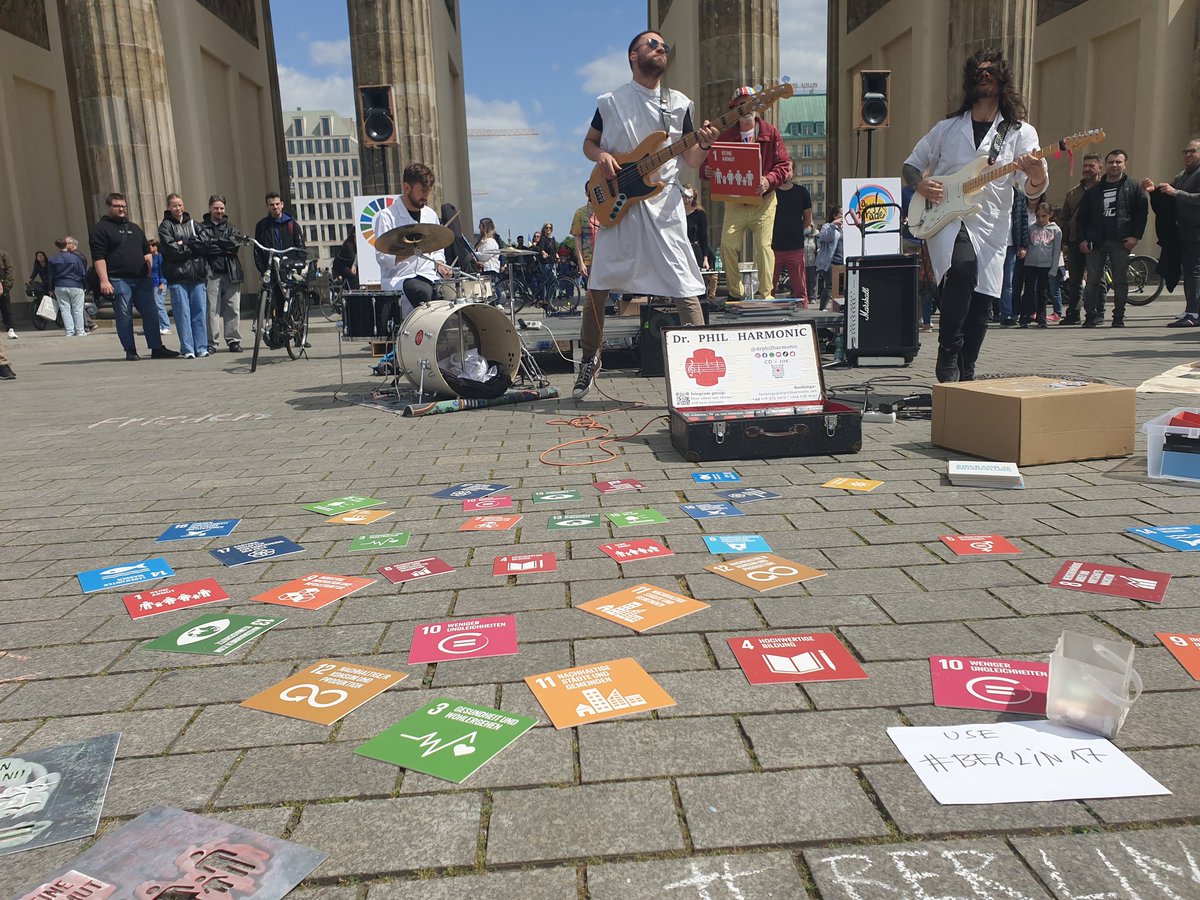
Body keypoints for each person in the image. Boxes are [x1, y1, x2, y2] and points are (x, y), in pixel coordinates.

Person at [575, 30, 718, 399]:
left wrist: (705, 144)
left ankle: (703, 368)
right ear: (633, 56)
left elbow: (691, 159)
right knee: (598, 285)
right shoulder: (611, 102)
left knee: (685, 285)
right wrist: (602, 156)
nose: (660, 49)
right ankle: (589, 358)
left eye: (664, 47)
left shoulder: (679, 104)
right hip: (619, 203)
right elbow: (589, 143)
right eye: (652, 45)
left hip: (663, 205)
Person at [904, 48, 1047, 382]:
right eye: (979, 72)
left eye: (991, 71)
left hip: (993, 224)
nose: (985, 76)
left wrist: (1037, 172)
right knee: (963, 268)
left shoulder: (1020, 132)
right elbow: (911, 165)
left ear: (1002, 79)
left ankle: (965, 373)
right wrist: (920, 184)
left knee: (982, 302)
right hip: (946, 217)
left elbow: (1031, 189)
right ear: (970, 81)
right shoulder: (946, 128)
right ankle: (948, 349)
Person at [701, 86, 791, 301]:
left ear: (758, 105)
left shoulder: (770, 132)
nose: (746, 108)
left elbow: (784, 165)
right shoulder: (725, 137)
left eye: (750, 103)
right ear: (734, 109)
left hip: (764, 201)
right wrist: (707, 170)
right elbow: (705, 167)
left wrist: (768, 180)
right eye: (741, 104)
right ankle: (736, 293)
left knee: (763, 247)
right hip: (736, 203)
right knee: (727, 246)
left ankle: (766, 294)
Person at [90, 192, 178, 361]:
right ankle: (130, 350)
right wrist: (104, 281)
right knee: (124, 315)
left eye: (123, 206)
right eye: (117, 206)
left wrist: (149, 268)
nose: (121, 209)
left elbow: (146, 250)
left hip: (142, 279)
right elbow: (98, 257)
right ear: (108, 207)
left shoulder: (134, 228)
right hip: (118, 279)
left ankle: (157, 347)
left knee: (151, 312)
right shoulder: (100, 229)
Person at [1076, 149, 1148, 328]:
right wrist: (1082, 239)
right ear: (1105, 165)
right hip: (1096, 242)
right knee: (1092, 281)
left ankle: (1118, 317)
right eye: (1111, 162)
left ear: (1125, 164)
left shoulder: (1133, 187)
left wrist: (1135, 237)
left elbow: (1141, 214)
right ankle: (1090, 316)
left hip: (1121, 241)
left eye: (1118, 162)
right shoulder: (1094, 190)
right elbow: (1082, 218)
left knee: (1120, 281)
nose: (1114, 165)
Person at [372, 162, 452, 317]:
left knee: (451, 292)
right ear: (407, 187)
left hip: (428, 276)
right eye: (422, 191)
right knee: (421, 291)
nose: (425, 197)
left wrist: (440, 265)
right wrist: (412, 250)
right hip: (400, 279)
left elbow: (437, 250)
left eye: (428, 191)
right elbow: (382, 257)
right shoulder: (386, 216)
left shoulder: (430, 215)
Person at [1144, 138, 1200, 327]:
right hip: (1184, 231)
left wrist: (1175, 192)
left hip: (1197, 230)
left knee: (1194, 272)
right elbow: (1168, 195)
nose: (1188, 155)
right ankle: (1192, 308)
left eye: (1192, 151)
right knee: (1189, 272)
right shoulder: (1183, 175)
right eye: (1186, 152)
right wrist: (1153, 191)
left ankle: (1194, 313)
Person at [159, 193, 210, 358]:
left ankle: (201, 347)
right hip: (178, 276)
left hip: (197, 274)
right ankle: (188, 348)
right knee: (183, 313)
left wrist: (184, 243)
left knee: (199, 312)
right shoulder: (165, 226)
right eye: (174, 206)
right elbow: (172, 251)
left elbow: (205, 244)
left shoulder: (194, 224)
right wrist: (192, 245)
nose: (178, 208)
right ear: (169, 207)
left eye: (180, 205)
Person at [1056, 153, 1102, 325]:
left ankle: (1097, 313)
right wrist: (1063, 242)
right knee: (1075, 280)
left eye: (1091, 166)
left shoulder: (1104, 190)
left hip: (1097, 241)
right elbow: (1065, 218)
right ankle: (1073, 313)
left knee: (1096, 279)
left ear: (1100, 168)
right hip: (1075, 240)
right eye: (1085, 166)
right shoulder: (1073, 193)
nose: (1087, 169)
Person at [199, 194, 245, 352]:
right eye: (216, 208)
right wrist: (223, 246)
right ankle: (212, 343)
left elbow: (234, 246)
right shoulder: (201, 227)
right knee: (212, 310)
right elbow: (203, 247)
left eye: (221, 208)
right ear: (210, 208)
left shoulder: (232, 228)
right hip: (211, 272)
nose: (219, 211)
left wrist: (214, 242)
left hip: (231, 272)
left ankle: (233, 340)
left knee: (233, 308)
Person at [771, 168, 813, 303]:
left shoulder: (802, 192)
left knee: (800, 289)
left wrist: (795, 230)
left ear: (793, 172)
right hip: (772, 247)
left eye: (788, 169)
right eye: (782, 169)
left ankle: (803, 310)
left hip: (795, 247)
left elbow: (808, 219)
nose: (785, 173)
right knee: (768, 288)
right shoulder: (771, 192)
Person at [1020, 201, 1062, 328]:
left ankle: (1042, 318)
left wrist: (1054, 269)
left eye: (1044, 216)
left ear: (1050, 215)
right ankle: (1025, 317)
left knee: (1042, 292)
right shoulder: (1031, 228)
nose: (1040, 219)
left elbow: (1056, 251)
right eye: (1038, 216)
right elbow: (1027, 244)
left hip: (1045, 265)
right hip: (1030, 264)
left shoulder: (1056, 230)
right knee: (1028, 291)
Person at [253, 191, 306, 274]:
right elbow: (257, 250)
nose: (275, 207)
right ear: (267, 206)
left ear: (282, 204)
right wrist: (263, 270)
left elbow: (301, 248)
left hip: (290, 269)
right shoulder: (262, 226)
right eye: (271, 205)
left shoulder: (292, 224)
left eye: (277, 204)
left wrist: (297, 267)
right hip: (271, 271)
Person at [47, 236, 87, 336]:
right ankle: (80, 330)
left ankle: (69, 331)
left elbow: (50, 275)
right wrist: (85, 285)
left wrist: (50, 288)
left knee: (64, 309)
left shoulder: (52, 259)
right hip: (75, 284)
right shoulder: (75, 258)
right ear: (66, 245)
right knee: (77, 309)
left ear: (57, 246)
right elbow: (82, 272)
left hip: (60, 285)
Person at [683, 186, 716, 300]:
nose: (686, 200)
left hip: (695, 249)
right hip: (681, 248)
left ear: (694, 198)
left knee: (697, 279)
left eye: (689, 197)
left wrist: (705, 258)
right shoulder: (676, 212)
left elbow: (704, 236)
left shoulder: (699, 213)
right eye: (684, 196)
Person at [816, 205, 843, 310]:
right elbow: (825, 238)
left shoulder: (847, 228)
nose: (842, 216)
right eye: (841, 214)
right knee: (830, 285)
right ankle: (822, 307)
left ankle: (839, 308)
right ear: (835, 215)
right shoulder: (827, 226)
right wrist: (833, 225)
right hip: (831, 261)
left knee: (842, 287)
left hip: (843, 260)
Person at [570, 199, 599, 289]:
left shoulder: (609, 210)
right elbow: (577, 238)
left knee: (615, 293)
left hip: (608, 259)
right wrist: (581, 262)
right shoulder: (580, 212)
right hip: (589, 260)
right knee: (594, 292)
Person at [147, 239, 171, 336]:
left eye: (152, 245)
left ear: (156, 247)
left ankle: (166, 326)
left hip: (159, 282)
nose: (150, 247)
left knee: (159, 304)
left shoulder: (160, 257)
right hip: (152, 283)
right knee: (155, 305)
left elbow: (163, 270)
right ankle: (160, 325)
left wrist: (163, 282)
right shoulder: (151, 257)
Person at [475, 217, 501, 289]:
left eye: (480, 225)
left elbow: (484, 256)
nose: (479, 227)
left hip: (490, 269)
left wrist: (473, 254)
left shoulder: (490, 242)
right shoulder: (483, 241)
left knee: (493, 289)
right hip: (485, 269)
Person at [0, 246, 14, 339]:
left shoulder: (3, 254)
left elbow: (9, 269)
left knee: (6, 308)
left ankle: (10, 329)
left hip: (3, 285)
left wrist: (7, 285)